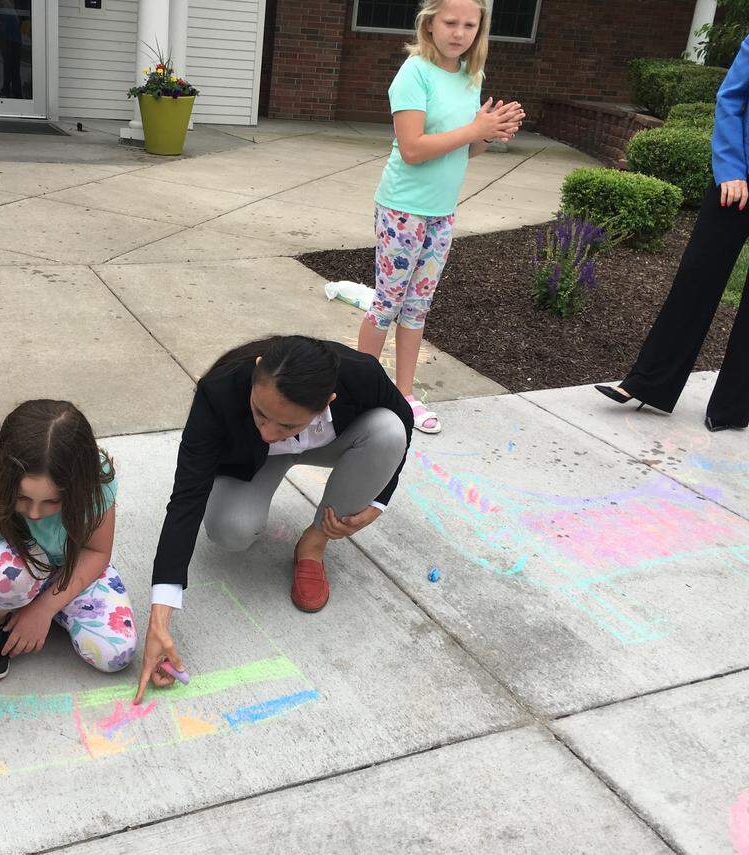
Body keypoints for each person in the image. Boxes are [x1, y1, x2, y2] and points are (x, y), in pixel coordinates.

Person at [133, 336, 414, 704]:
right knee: (230, 529)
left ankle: (313, 543)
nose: (267, 432)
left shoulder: (361, 374)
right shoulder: (218, 391)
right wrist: (160, 619)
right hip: (254, 459)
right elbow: (186, 498)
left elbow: (404, 421)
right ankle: (275, 449)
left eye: (285, 425)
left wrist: (379, 501)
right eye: (259, 412)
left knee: (388, 430)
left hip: (327, 441)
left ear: (327, 402)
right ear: (256, 372)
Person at [595, 0, 749, 430]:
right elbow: (731, 95)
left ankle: (730, 410)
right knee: (696, 277)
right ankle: (647, 383)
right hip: (738, 177)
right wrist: (730, 169)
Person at [0, 400, 135, 779]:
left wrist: (43, 609)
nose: (35, 513)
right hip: (19, 567)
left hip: (71, 567)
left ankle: (49, 612)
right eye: (23, 498)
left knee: (116, 653)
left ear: (79, 483)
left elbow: (97, 553)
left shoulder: (96, 477)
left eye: (53, 501)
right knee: (5, 577)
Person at [357, 0, 523, 434]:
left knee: (417, 307)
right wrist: (474, 129)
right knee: (387, 303)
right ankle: (358, 393)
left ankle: (404, 395)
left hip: (441, 213)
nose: (459, 33)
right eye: (450, 22)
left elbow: (466, 149)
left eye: (470, 25)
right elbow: (412, 149)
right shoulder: (414, 73)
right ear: (429, 23)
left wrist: (492, 133)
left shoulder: (471, 75)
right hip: (402, 209)